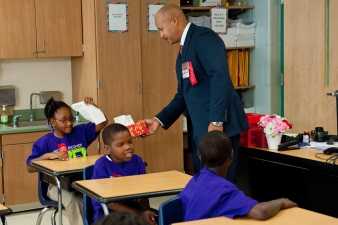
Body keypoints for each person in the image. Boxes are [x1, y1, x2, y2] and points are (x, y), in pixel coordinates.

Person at [145, 4, 248, 179]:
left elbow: (219, 77)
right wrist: (159, 120)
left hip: (218, 129)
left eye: (161, 29)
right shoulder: (183, 51)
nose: (161, 35)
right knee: (207, 185)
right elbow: (183, 94)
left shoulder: (203, 38)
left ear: (174, 21)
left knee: (222, 187)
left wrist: (216, 120)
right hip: (202, 132)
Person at [180, 131, 297, 221]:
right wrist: (282, 201)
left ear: (199, 156)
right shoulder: (225, 190)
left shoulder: (194, 181)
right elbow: (261, 212)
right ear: (231, 156)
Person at [26, 97, 107, 225]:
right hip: (56, 186)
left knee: (100, 198)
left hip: (82, 181)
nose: (69, 123)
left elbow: (102, 122)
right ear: (52, 122)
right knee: (75, 201)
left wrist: (93, 108)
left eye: (71, 119)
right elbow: (29, 167)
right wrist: (46, 156)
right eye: (64, 120)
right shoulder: (44, 142)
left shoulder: (81, 132)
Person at [91, 123, 157, 225]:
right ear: (108, 149)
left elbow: (145, 193)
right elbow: (109, 203)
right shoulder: (101, 165)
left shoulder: (138, 160)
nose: (128, 147)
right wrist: (138, 215)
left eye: (130, 142)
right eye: (120, 144)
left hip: (133, 208)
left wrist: (145, 211)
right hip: (109, 215)